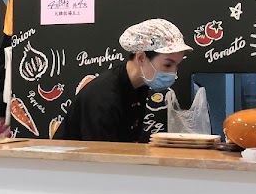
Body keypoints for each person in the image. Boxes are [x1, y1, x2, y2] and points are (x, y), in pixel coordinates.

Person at [54, 19, 191, 142]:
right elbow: (99, 155)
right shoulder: (104, 98)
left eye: (176, 65)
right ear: (141, 58)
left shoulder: (139, 85)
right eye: (167, 65)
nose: (173, 73)